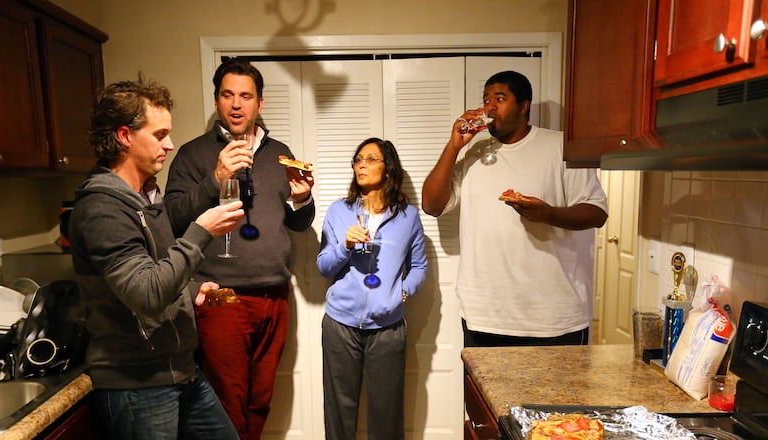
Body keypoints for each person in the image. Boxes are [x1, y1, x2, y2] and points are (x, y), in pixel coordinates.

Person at [68, 76, 243, 440]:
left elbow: (156, 270)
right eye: (160, 135)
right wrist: (201, 231)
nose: (170, 144)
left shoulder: (149, 196)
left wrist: (190, 289)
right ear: (125, 136)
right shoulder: (101, 208)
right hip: (137, 382)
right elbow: (146, 293)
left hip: (179, 369)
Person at [164, 57, 315, 439]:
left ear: (259, 103)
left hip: (275, 295)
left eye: (245, 96)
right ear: (216, 101)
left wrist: (303, 199)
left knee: (261, 398)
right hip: (221, 295)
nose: (236, 104)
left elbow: (297, 222)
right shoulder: (193, 153)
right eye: (227, 95)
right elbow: (172, 218)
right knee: (225, 398)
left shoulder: (281, 152)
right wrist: (215, 178)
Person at [422, 70, 608, 348]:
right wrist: (454, 146)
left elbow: (596, 212)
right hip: (484, 314)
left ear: (524, 106)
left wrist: (549, 214)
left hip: (553, 318)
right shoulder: (475, 153)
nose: (490, 107)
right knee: (481, 394)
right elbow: (432, 205)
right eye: (486, 99)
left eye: (500, 98)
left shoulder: (560, 146)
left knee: (557, 394)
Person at [317, 137, 428, 440]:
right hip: (340, 324)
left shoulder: (407, 217)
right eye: (357, 159)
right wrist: (346, 246)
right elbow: (324, 266)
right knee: (339, 412)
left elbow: (419, 266)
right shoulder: (339, 211)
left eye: (370, 159)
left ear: (388, 169)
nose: (361, 165)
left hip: (387, 327)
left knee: (386, 415)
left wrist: (402, 293)